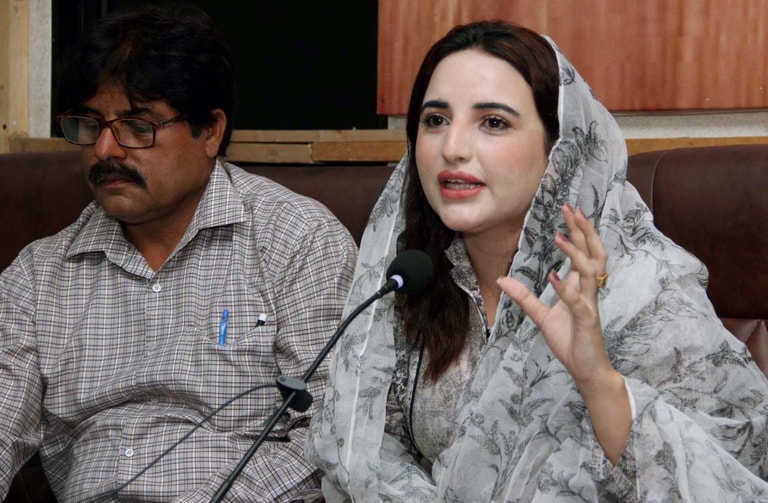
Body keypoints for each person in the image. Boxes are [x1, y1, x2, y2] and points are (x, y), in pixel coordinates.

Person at [306, 20, 768, 502]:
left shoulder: (645, 290)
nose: (452, 148)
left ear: (559, 148)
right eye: (436, 120)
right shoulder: (414, 273)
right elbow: (362, 442)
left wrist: (599, 382)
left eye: (493, 122)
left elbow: (734, 473)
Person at [0, 5, 357, 502]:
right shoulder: (38, 276)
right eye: (90, 124)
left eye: (137, 126)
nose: (105, 149)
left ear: (210, 131)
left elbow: (333, 432)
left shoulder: (298, 240)